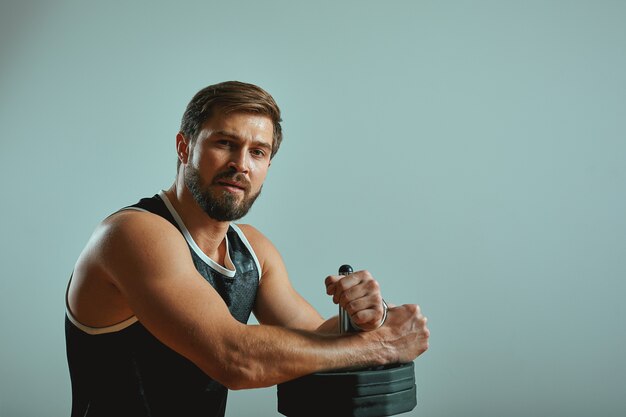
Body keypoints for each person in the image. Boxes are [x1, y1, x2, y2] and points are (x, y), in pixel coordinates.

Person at [65, 81, 430, 417]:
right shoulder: (133, 233)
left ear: (268, 165)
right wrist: (381, 346)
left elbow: (316, 341)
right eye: (225, 143)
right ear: (184, 146)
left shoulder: (253, 250)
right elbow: (234, 358)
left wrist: (369, 319)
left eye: (257, 152)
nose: (241, 164)